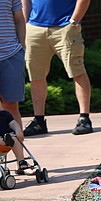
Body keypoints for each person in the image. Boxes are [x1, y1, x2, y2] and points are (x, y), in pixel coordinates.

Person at [22, 0, 93, 136]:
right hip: (35, 28)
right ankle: (39, 121)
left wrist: (74, 21)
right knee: (35, 76)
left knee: (77, 71)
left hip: (65, 26)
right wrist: (26, 25)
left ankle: (84, 118)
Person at [0, 0, 28, 172]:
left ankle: (21, 161)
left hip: (11, 53)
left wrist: (22, 46)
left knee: (11, 106)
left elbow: (19, 18)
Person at [0, 98, 31, 174]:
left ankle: (21, 161)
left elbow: (13, 123)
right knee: (8, 138)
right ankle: (6, 140)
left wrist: (18, 130)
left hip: (8, 139)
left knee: (15, 138)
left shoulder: (5, 114)